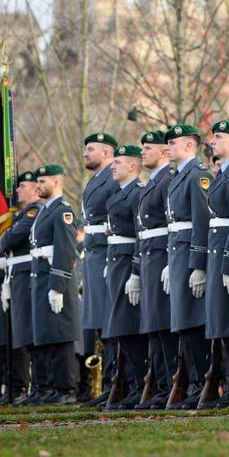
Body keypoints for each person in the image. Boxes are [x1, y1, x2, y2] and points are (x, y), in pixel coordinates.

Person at [163, 123, 213, 409]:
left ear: (189, 146)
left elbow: (201, 223)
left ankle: (201, 382)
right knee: (183, 321)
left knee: (193, 320)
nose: (167, 147)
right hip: (177, 252)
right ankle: (193, 381)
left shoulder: (198, 177)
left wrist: (198, 264)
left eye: (173, 142)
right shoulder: (178, 177)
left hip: (189, 254)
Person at [132, 131, 179, 411]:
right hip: (151, 256)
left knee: (164, 324)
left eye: (148, 148)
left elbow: (172, 224)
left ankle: (171, 383)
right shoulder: (154, 180)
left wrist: (169, 264)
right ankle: (162, 384)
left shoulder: (168, 179)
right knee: (155, 326)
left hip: (163, 254)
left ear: (163, 151)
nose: (143, 153)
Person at [202, 120, 229, 408]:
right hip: (216, 250)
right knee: (220, 321)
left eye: (219, 137)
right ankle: (228, 382)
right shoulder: (223, 173)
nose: (213, 141)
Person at [30, 164, 81, 404]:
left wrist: (57, 286)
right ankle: (51, 387)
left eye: (43, 182)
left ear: (57, 182)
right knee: (48, 334)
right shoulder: (45, 210)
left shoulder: (62, 211)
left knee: (60, 335)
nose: (38, 186)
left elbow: (66, 250)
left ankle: (66, 389)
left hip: (55, 278)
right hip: (41, 277)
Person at [103, 145, 148, 410]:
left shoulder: (136, 193)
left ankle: (141, 384)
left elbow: (140, 235)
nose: (112, 165)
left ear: (133, 166)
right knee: (120, 328)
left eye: (118, 162)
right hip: (116, 259)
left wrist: (135, 270)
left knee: (128, 327)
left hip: (129, 259)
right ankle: (133, 385)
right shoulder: (119, 194)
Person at [79, 132, 119, 406]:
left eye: (91, 149)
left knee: (110, 322)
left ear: (107, 153)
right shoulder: (96, 179)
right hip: (93, 254)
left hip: (106, 253)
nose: (85, 154)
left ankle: (116, 383)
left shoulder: (113, 177)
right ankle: (106, 386)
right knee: (100, 325)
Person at [1, 170, 43, 403]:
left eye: (22, 186)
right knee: (22, 334)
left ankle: (33, 385)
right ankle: (29, 386)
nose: (17, 191)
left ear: (35, 189)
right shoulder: (22, 214)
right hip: (17, 275)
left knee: (29, 333)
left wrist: (4, 239)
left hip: (27, 274)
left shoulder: (34, 211)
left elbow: (12, 239)